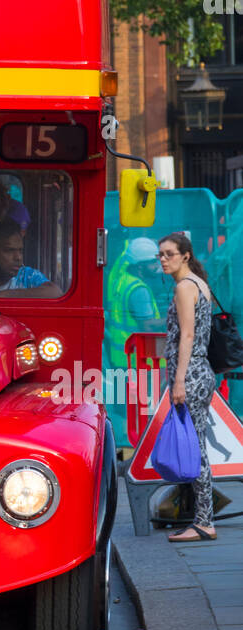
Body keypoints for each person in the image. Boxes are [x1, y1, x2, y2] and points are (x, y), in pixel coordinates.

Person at [158, 232, 218, 542]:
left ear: (185, 255)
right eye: (160, 255)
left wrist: (179, 379)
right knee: (197, 446)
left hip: (191, 374)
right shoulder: (199, 284)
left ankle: (205, 522)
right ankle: (201, 517)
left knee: (197, 449)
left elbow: (188, 337)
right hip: (200, 373)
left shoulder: (185, 287)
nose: (163, 260)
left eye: (169, 254)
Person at [103, 237, 166, 370]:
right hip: (139, 360)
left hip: (123, 358)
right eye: (153, 262)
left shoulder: (122, 279)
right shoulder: (139, 290)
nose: (157, 266)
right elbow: (147, 325)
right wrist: (174, 318)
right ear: (139, 266)